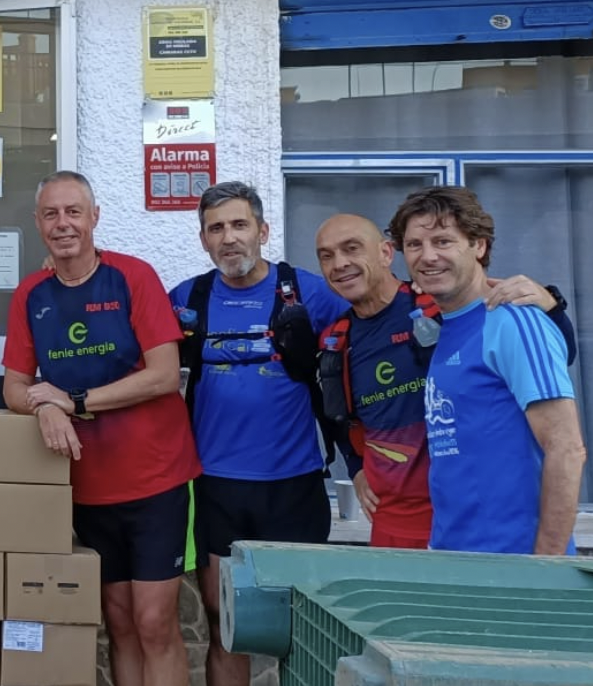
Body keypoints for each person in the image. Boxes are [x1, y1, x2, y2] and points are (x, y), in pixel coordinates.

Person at [1, 171, 196, 686]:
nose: (62, 224)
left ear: (93, 218)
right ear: (38, 224)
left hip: (156, 479)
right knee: (120, 622)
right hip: (88, 486)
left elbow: (163, 376)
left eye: (72, 212)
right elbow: (14, 388)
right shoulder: (30, 295)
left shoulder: (134, 276)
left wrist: (76, 401)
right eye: (51, 214)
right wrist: (44, 407)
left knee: (155, 621)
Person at [166, 181, 349, 686]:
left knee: (304, 622)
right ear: (203, 239)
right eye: (216, 228)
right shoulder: (187, 298)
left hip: (294, 483)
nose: (229, 238)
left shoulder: (309, 292)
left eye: (239, 224)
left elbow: (380, 317)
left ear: (263, 230)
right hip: (216, 485)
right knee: (226, 621)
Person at [313, 212, 575, 549]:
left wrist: (551, 308)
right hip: (391, 521)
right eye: (326, 256)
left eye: (352, 248)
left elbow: (555, 358)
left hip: (467, 520)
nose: (340, 264)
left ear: (386, 253)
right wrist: (355, 466)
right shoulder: (337, 341)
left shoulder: (441, 307)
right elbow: (337, 415)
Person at [388, 186, 586, 554]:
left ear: (478, 246)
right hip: (453, 557)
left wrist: (546, 567)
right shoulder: (447, 328)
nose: (427, 256)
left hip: (515, 564)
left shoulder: (512, 320)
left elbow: (567, 448)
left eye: (443, 241)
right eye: (414, 245)